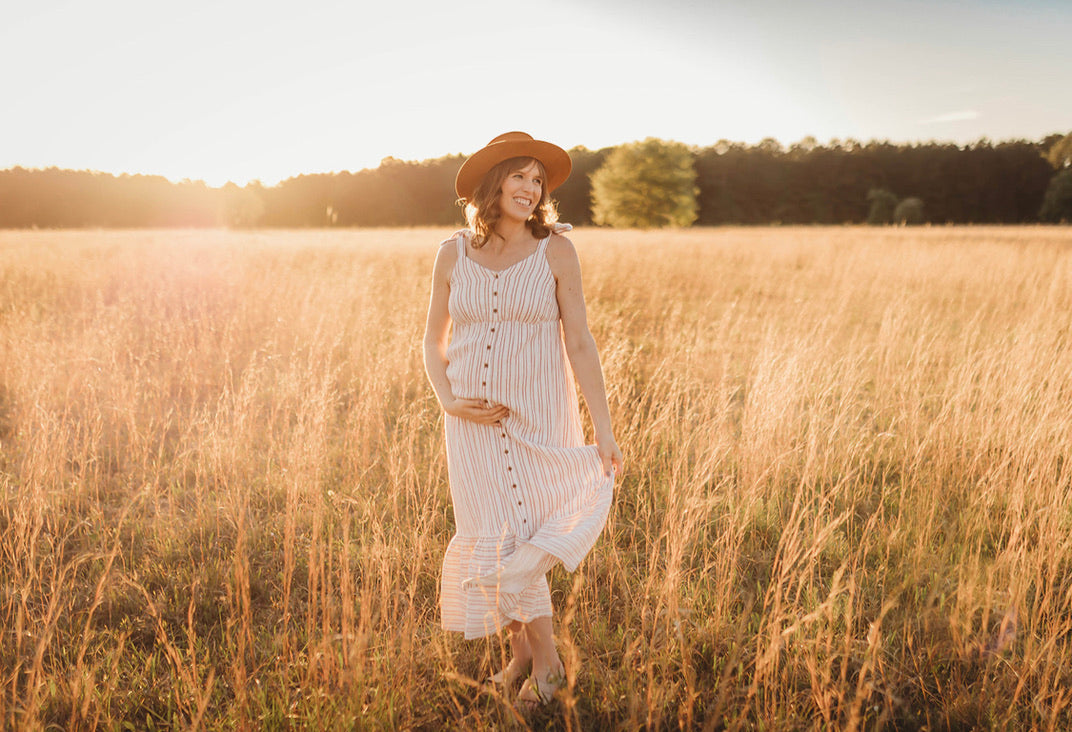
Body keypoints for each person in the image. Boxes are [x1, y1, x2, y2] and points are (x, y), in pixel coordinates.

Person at [423, 131, 623, 706]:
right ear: (494, 183)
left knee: (526, 534)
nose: (532, 190)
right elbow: (431, 341)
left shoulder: (556, 250)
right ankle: (523, 656)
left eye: (539, 181)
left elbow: (580, 342)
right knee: (494, 533)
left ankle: (550, 666)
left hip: (538, 418)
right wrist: (446, 398)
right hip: (470, 426)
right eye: (521, 176)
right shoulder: (452, 252)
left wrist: (603, 429)